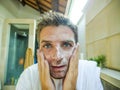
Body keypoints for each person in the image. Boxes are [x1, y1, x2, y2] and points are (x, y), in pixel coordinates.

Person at [16, 11, 103, 90]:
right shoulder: (28, 76)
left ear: (76, 49)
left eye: (66, 45)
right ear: (39, 51)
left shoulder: (90, 73)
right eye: (47, 45)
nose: (57, 57)